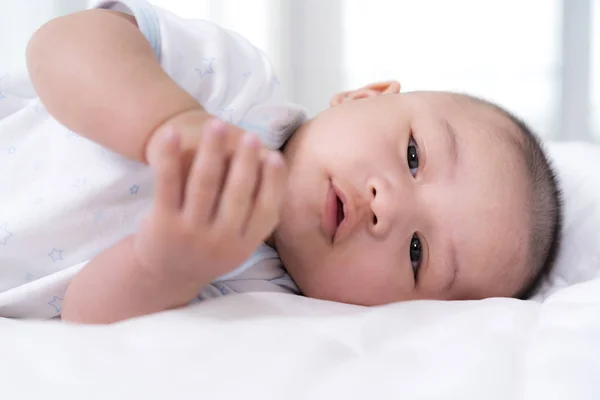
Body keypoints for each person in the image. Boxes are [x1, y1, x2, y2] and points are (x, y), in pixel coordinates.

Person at [0, 0, 562, 323]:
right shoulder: (234, 86)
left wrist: (167, 264)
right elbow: (65, 41)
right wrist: (169, 123)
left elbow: (83, 318)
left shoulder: (262, 307)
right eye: (413, 156)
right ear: (365, 96)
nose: (384, 204)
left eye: (418, 253)